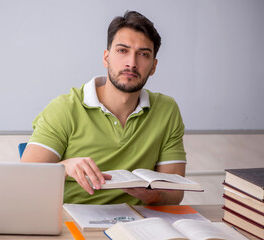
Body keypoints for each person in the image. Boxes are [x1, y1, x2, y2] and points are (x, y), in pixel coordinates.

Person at [21, 11, 186, 205]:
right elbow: (24, 181)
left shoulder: (167, 111)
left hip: (137, 225)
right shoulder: (64, 108)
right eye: (122, 50)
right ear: (106, 58)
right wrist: (65, 167)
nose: (131, 63)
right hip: (72, 223)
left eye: (143, 54)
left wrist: (154, 195)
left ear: (153, 66)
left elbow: (175, 193)